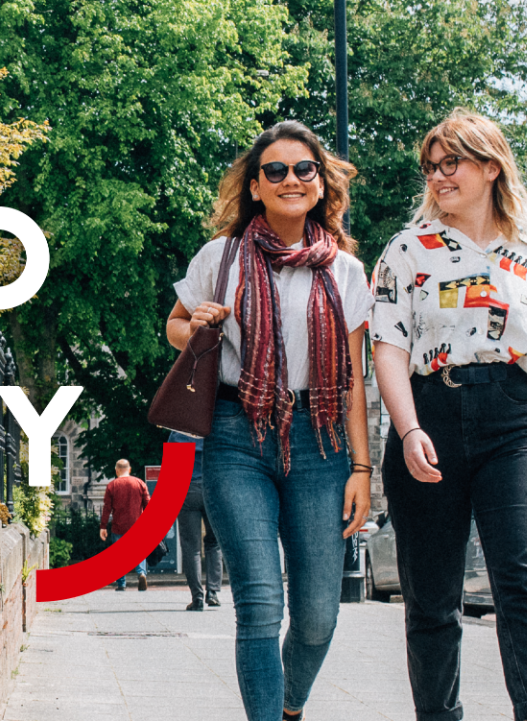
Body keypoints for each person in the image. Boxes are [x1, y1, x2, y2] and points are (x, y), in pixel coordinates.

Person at [370, 109, 527, 721]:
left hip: (514, 425)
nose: (438, 176)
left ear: (491, 168)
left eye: (451, 162)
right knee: (432, 598)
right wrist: (407, 431)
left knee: (524, 584)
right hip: (428, 414)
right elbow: (390, 348)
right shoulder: (407, 250)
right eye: (431, 167)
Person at [167, 120, 372, 721]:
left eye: (303, 169)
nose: (290, 179)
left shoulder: (345, 272)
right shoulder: (221, 257)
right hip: (236, 435)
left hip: (321, 439)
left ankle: (288, 705)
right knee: (259, 602)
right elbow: (175, 326)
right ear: (255, 186)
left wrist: (362, 467)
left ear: (320, 182)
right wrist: (195, 323)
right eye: (275, 171)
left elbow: (355, 380)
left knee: (316, 615)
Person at [170, 432, 223, 611]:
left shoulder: (177, 434)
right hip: (212, 488)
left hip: (187, 489)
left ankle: (197, 597)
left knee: (191, 547)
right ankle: (213, 592)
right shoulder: (213, 430)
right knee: (214, 543)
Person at [99, 459, 150, 591]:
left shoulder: (112, 485)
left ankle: (121, 583)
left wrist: (103, 526)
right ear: (130, 470)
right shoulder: (140, 483)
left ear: (116, 471)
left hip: (118, 526)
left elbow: (107, 508)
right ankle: (142, 573)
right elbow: (148, 505)